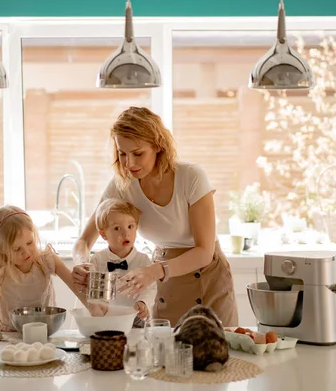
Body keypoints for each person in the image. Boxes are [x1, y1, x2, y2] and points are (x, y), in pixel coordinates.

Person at [72, 106, 238, 327]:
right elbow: (84, 241)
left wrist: (154, 271)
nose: (129, 163)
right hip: (164, 279)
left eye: (138, 153)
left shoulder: (191, 177)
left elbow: (204, 252)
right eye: (122, 154)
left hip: (206, 277)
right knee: (166, 355)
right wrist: (84, 265)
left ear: (158, 147)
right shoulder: (122, 185)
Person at [0, 205, 102, 342]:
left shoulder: (48, 260)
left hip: (45, 331)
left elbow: (75, 285)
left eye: (30, 242)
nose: (26, 252)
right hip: (10, 333)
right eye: (17, 248)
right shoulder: (1, 270)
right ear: (1, 249)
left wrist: (94, 309)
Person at [88, 198, 156, 326]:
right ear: (103, 235)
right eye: (117, 228)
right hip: (106, 321)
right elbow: (92, 292)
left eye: (130, 226)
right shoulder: (97, 260)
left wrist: (143, 303)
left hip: (135, 321)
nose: (126, 233)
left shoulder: (143, 260)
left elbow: (151, 288)